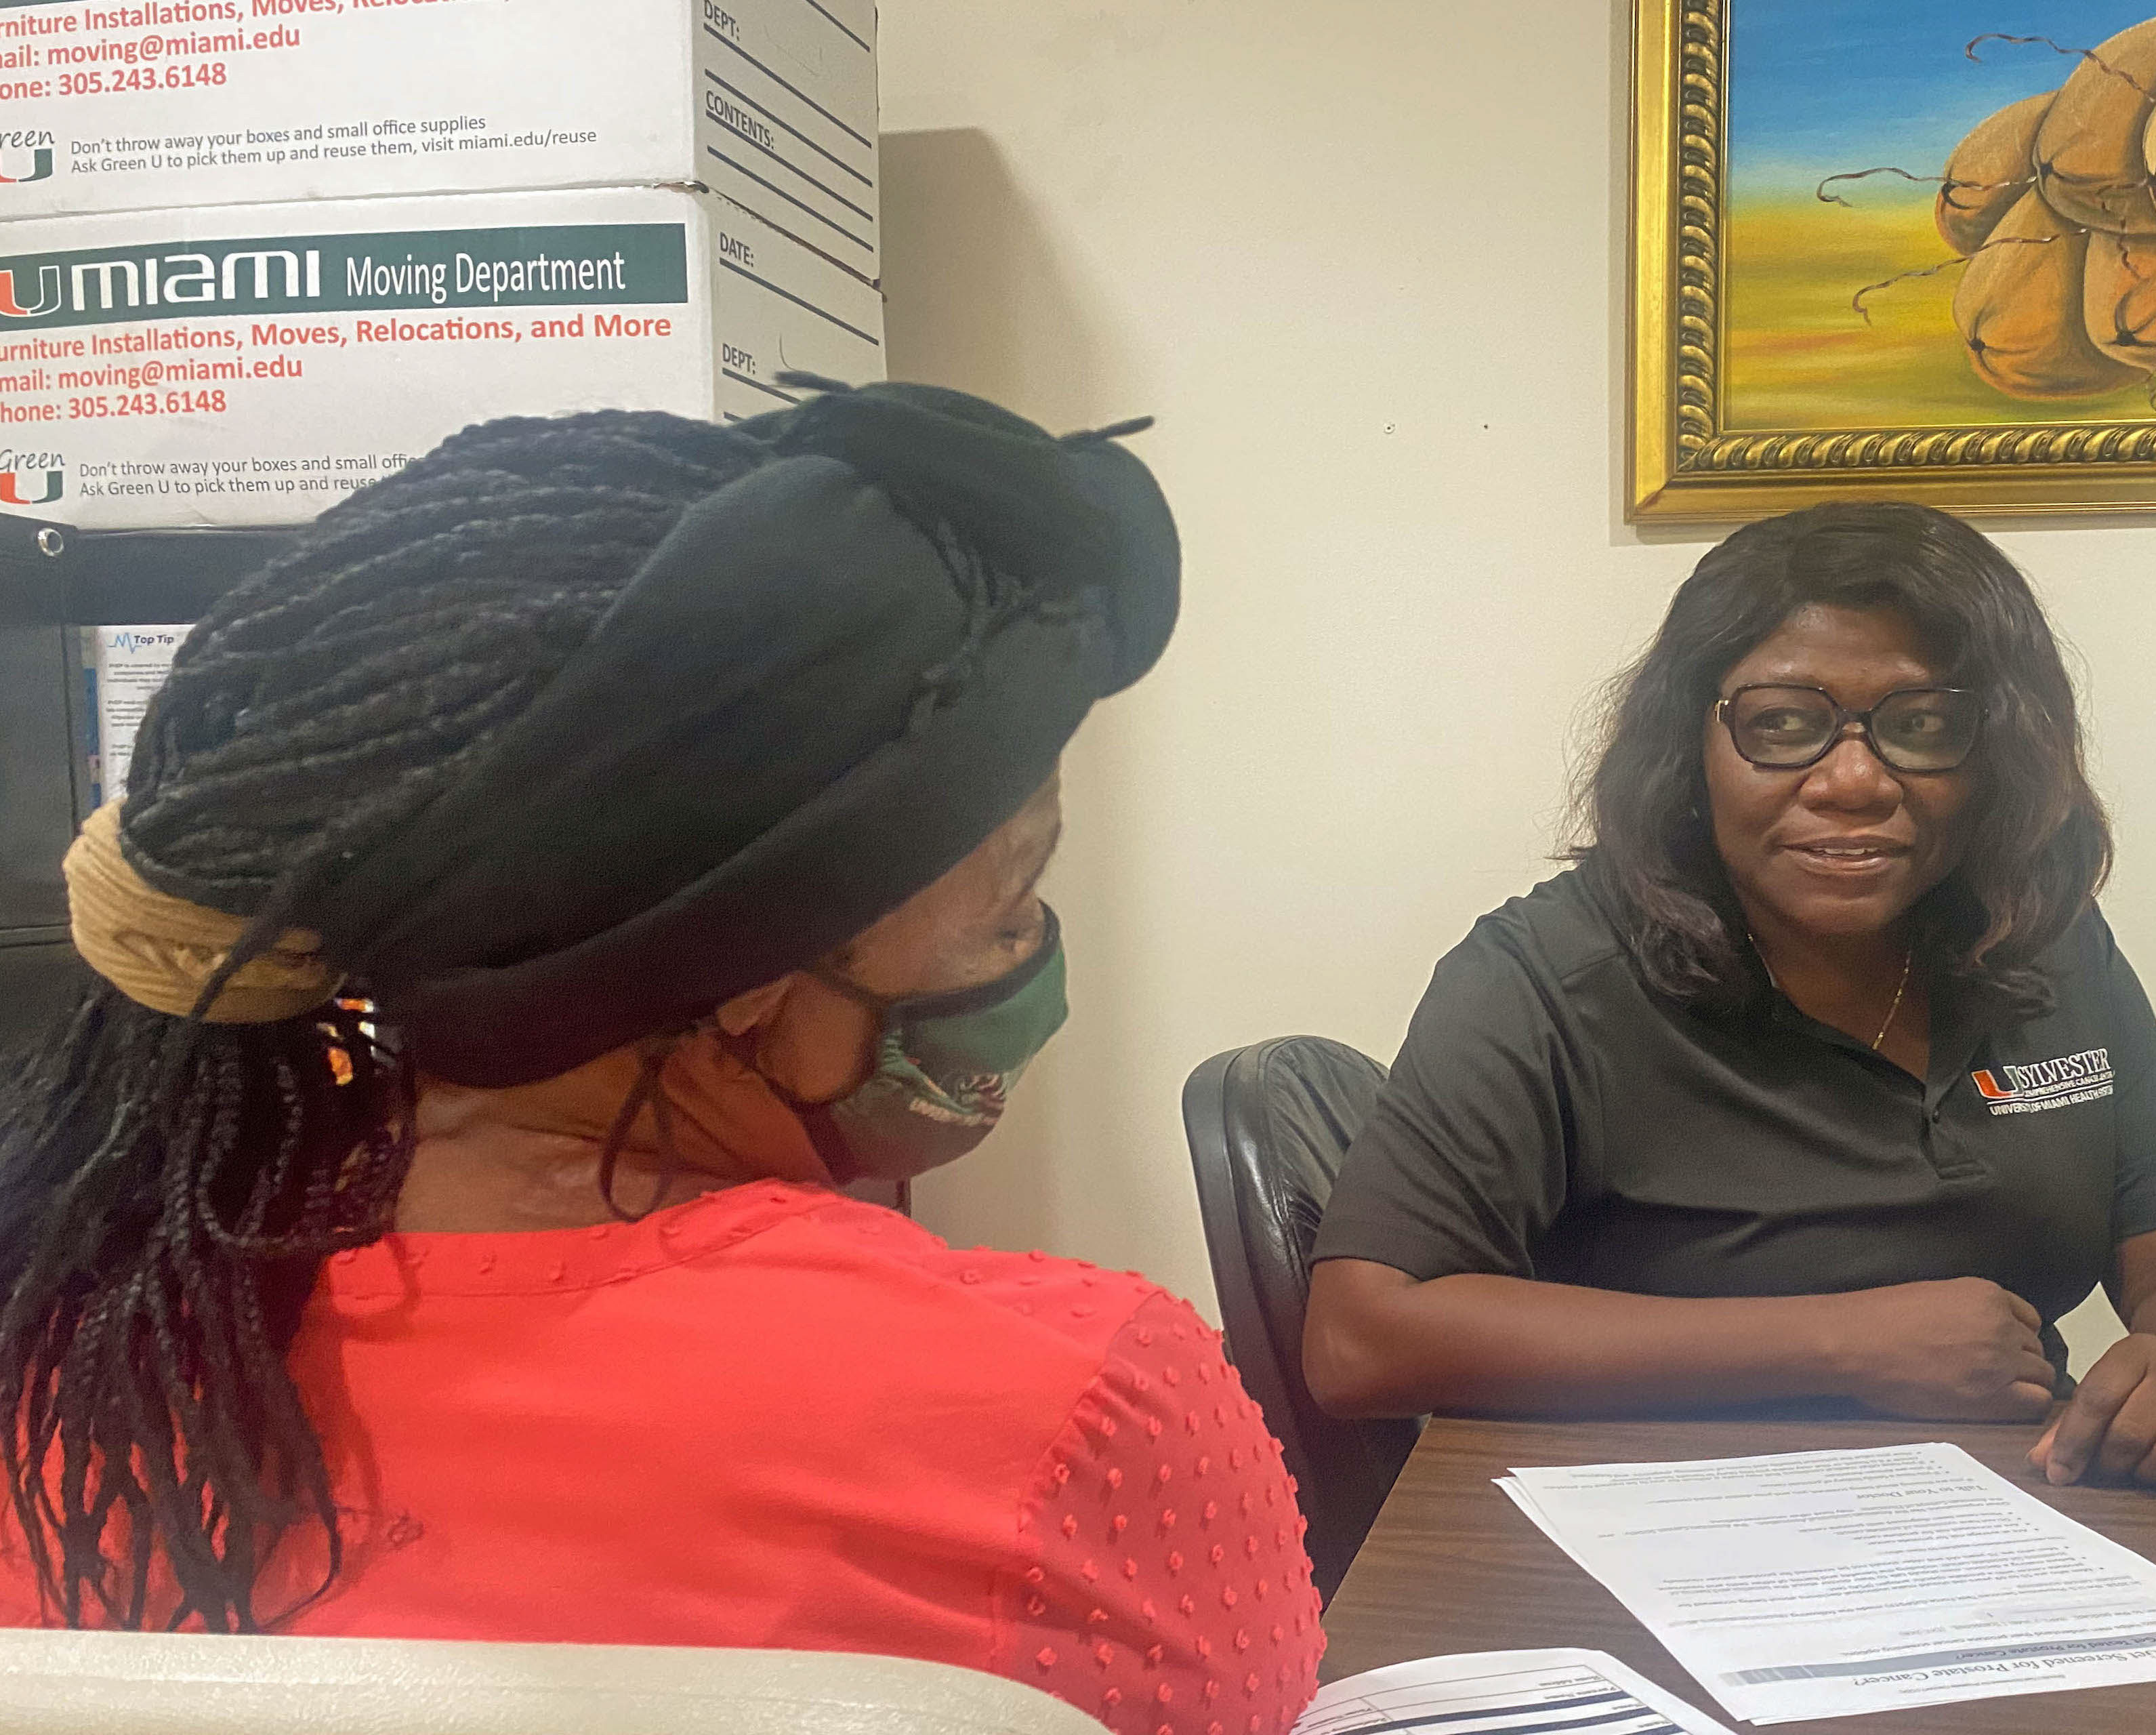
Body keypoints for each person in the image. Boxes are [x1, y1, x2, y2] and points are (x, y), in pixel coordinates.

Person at [0, 383, 1323, 1734]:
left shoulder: (75, 1350)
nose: (1030, 949)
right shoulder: (1085, 1409)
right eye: (1004, 904)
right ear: (749, 971)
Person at [1304, 502, 2156, 1498]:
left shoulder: (2044, 945)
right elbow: (1361, 1337)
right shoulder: (1546, 976)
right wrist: (1839, 1344)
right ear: (1690, 746)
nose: (1854, 779)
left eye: (1924, 726)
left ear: (1999, 754)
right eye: (1782, 724)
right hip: (1649, 1523)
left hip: (2013, 1515)